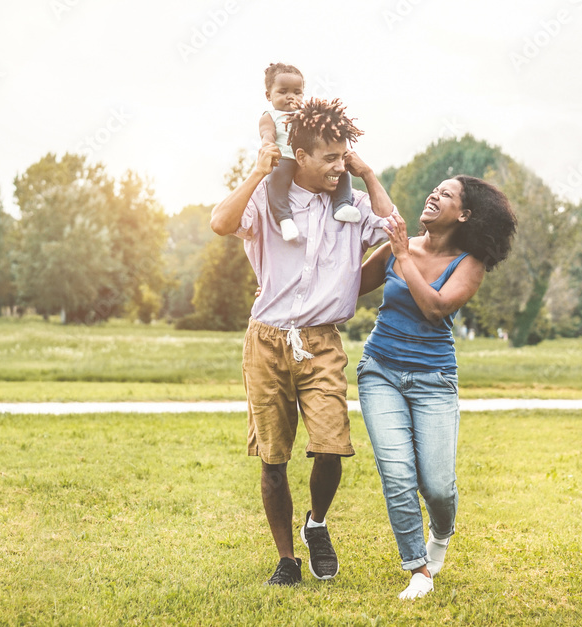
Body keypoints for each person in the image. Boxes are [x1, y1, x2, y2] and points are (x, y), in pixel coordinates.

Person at [210, 97, 394, 586]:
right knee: (273, 458)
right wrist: (255, 173)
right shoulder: (269, 197)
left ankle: (317, 523)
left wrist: (370, 176)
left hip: (322, 342)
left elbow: (394, 229)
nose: (339, 165)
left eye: (344, 155)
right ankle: (286, 560)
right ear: (301, 154)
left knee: (331, 447)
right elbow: (220, 223)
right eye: (329, 157)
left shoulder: (351, 205)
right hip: (266, 340)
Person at [356, 175, 517, 599]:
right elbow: (349, 287)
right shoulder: (397, 246)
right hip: (380, 370)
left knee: (438, 486)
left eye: (446, 194)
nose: (433, 194)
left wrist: (402, 254)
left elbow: (436, 307)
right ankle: (418, 570)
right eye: (435, 189)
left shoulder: (468, 262)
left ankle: (441, 533)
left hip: (434, 380)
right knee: (396, 472)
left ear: (463, 215)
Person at [258, 62, 358, 242]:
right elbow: (267, 134)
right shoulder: (269, 117)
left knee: (342, 171)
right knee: (276, 181)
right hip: (286, 158)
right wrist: (268, 145)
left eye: (297, 92)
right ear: (268, 95)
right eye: (283, 92)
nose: (290, 97)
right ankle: (285, 219)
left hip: (313, 160)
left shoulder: (304, 113)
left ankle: (342, 204)